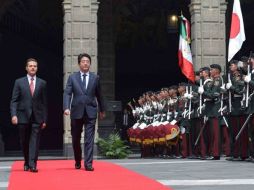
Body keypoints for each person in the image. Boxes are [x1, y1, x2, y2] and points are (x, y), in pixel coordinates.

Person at [63, 53, 105, 171]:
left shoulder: (95, 77)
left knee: (89, 138)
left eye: (87, 61)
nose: (85, 63)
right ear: (79, 64)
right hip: (76, 111)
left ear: (90, 63)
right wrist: (66, 107)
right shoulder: (72, 78)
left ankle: (88, 164)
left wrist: (102, 109)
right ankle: (77, 160)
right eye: (83, 61)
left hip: (91, 111)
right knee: (75, 138)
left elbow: (99, 94)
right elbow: (67, 93)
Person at [10, 58, 47, 173]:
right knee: (24, 141)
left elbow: (44, 102)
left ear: (37, 68)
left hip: (37, 116)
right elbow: (14, 100)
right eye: (30, 66)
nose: (32, 68)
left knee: (34, 141)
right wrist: (13, 115)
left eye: (35, 66)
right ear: (26, 68)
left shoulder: (42, 83)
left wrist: (45, 119)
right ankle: (26, 161)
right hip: (22, 116)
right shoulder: (19, 82)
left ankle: (33, 164)